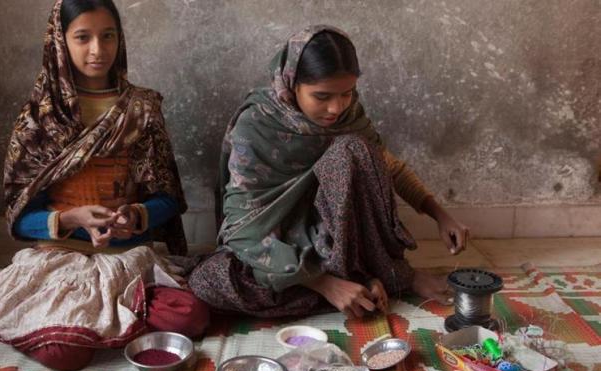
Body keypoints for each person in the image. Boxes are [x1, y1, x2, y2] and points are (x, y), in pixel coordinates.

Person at [0, 0, 208, 371]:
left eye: (108, 36)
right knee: (64, 354)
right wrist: (71, 218)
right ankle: (85, 322)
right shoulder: (40, 117)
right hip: (60, 260)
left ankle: (107, 318)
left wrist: (136, 214)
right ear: (60, 41)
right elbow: (19, 218)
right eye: (83, 37)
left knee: (190, 318)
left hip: (127, 259)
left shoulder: (141, 109)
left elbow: (168, 196)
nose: (98, 50)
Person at [188, 25, 469, 320]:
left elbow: (389, 168)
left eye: (347, 94)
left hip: (337, 242)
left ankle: (376, 278)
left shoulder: (350, 117)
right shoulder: (256, 126)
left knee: (353, 150)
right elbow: (241, 229)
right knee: (207, 281)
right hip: (279, 245)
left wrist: (441, 215)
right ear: (291, 82)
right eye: (321, 96)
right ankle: (356, 285)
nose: (336, 108)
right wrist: (324, 284)